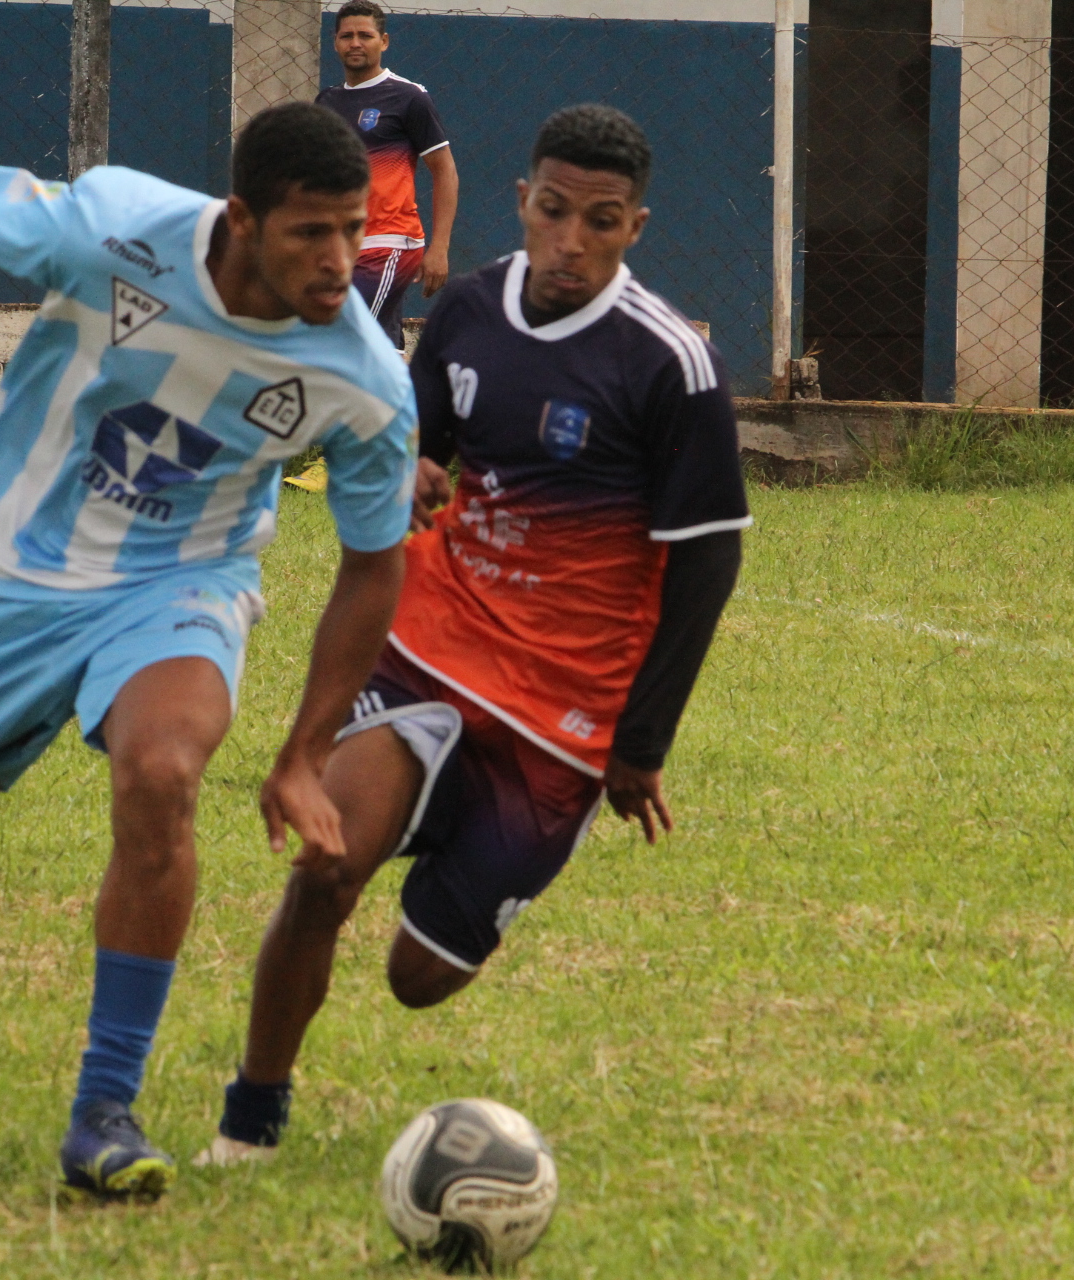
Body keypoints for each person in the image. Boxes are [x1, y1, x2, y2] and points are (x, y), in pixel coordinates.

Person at [0, 102, 417, 1204]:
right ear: (241, 220)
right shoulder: (117, 229)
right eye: (310, 234)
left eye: (355, 231)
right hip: (8, 568)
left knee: (164, 772)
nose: (341, 261)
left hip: (178, 585)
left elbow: (375, 565)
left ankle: (106, 1105)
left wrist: (304, 749)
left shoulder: (367, 382)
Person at [200, 104, 750, 1165]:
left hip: (561, 715)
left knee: (419, 977)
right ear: (524, 201)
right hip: (432, 649)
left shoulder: (670, 365)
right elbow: (416, 440)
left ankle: (471, 833)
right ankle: (250, 1119)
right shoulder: (465, 311)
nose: (570, 243)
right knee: (322, 874)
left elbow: (707, 566)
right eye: (553, 211)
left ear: (635, 226)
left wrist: (640, 745)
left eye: (600, 221)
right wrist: (412, 467)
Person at [315, 0, 460, 349]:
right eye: (347, 36)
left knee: (347, 337)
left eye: (365, 35)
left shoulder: (409, 97)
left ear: (384, 41)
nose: (355, 43)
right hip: (341, 245)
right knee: (380, 347)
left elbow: (445, 172)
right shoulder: (326, 102)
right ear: (335, 42)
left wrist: (439, 248)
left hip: (390, 243)